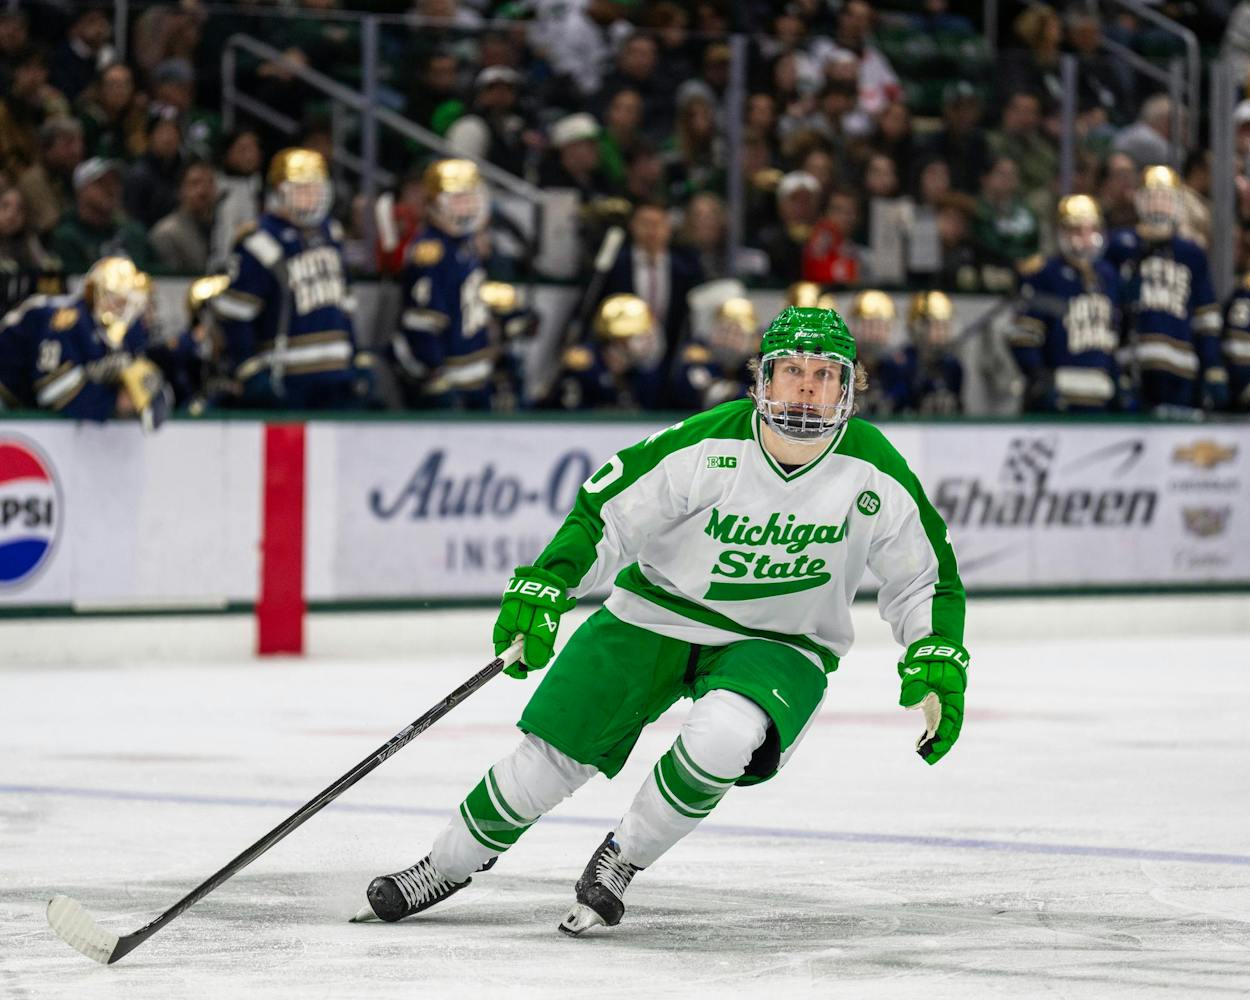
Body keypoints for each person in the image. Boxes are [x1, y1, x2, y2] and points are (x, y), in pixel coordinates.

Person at [356, 305, 968, 934]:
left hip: (781, 641)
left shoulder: (875, 469)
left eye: (824, 374)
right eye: (791, 371)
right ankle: (443, 866)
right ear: (762, 378)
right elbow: (607, 514)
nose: (807, 388)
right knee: (550, 758)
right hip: (655, 613)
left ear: (848, 387)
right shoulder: (706, 444)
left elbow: (927, 576)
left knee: (724, 737)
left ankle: (622, 860)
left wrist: (935, 654)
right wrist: (552, 582)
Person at [211, 147, 373, 410]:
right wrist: (249, 369)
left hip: (338, 375)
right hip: (287, 379)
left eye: (316, 190)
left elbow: (344, 304)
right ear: (279, 192)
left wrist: (357, 356)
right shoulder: (259, 240)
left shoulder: (331, 234)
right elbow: (235, 313)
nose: (312, 198)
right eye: (302, 190)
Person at [1103, 166, 1224, 412]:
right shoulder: (1120, 246)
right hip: (1132, 363)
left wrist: (1212, 366)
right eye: (1152, 198)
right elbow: (1107, 310)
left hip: (1181, 367)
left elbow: (1206, 317)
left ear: (1178, 204)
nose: (1158, 205)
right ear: (1139, 201)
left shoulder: (1191, 253)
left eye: (1166, 198)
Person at [0, 255, 169, 428]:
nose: (126, 310)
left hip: (25, 403)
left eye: (130, 303)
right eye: (119, 301)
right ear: (98, 294)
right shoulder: (65, 320)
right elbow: (51, 391)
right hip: (6, 393)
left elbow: (137, 379)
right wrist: (114, 401)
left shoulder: (127, 330)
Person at [389, 158, 494, 410]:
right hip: (449, 377)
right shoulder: (431, 252)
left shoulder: (466, 244)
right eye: (458, 200)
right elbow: (422, 321)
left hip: (475, 371)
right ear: (435, 203)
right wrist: (434, 370)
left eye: (470, 199)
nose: (466, 208)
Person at [1008, 195, 1122, 413]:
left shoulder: (1108, 276)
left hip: (1101, 394)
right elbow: (1024, 335)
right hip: (1060, 392)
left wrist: (1118, 379)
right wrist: (1037, 375)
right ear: (1061, 233)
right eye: (1076, 230)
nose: (1085, 238)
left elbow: (1116, 334)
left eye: (1091, 230)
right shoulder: (1045, 273)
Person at [543, 293, 664, 412]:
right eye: (639, 337)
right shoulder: (584, 366)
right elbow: (568, 413)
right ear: (618, 339)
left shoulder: (645, 371)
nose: (648, 344)